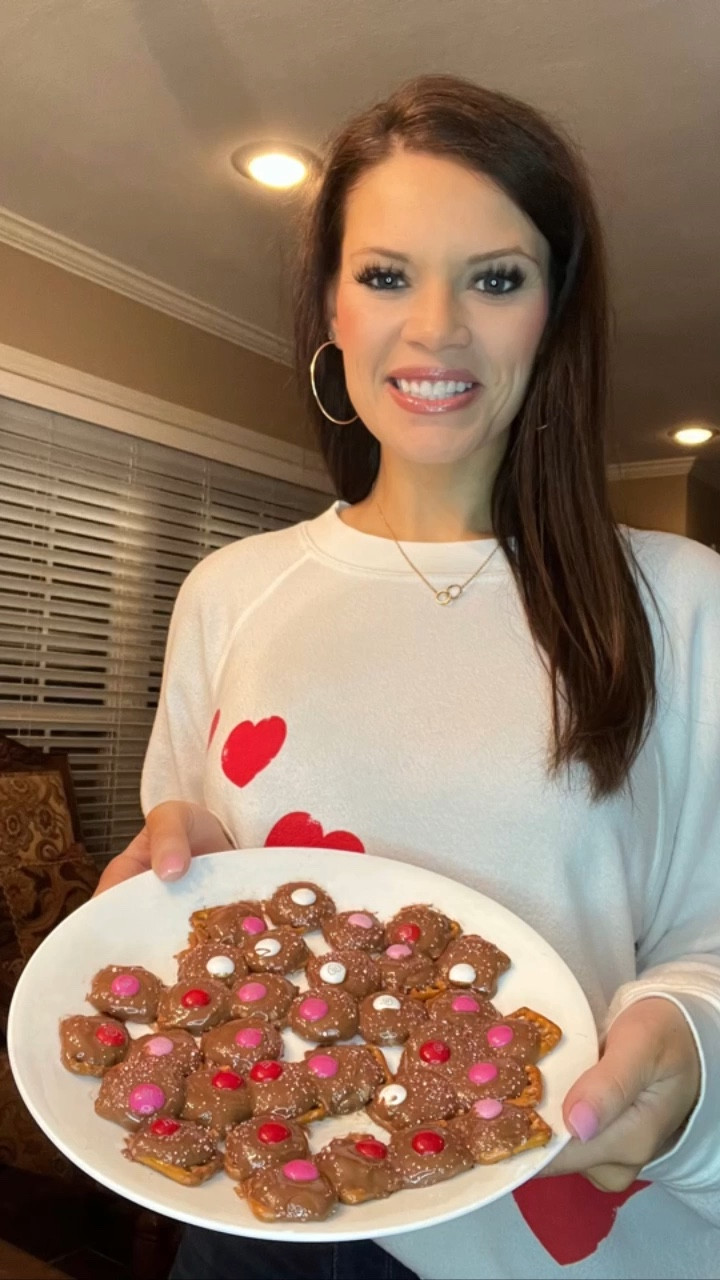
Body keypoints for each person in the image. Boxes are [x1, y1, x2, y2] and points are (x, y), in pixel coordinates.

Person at [97, 74, 720, 1280]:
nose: (435, 328)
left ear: (555, 312)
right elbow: (195, 878)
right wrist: (179, 861)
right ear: (330, 304)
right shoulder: (229, 591)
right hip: (255, 1206)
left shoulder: (682, 600)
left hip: (552, 1226)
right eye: (387, 275)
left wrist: (691, 1061)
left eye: (497, 277)